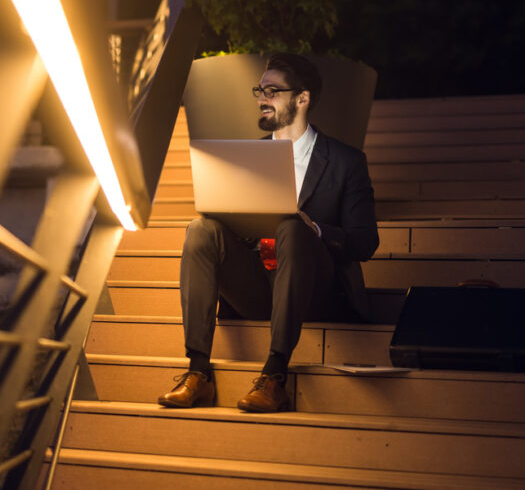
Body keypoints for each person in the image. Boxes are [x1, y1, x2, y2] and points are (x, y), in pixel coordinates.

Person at [158, 53, 379, 413]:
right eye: (260, 90)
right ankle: (198, 372)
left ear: (302, 98)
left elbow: (365, 242)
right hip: (260, 284)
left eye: (273, 91)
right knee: (201, 230)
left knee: (292, 228)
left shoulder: (345, 161)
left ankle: (275, 375)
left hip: (317, 289)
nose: (262, 98)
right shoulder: (246, 159)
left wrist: (316, 229)